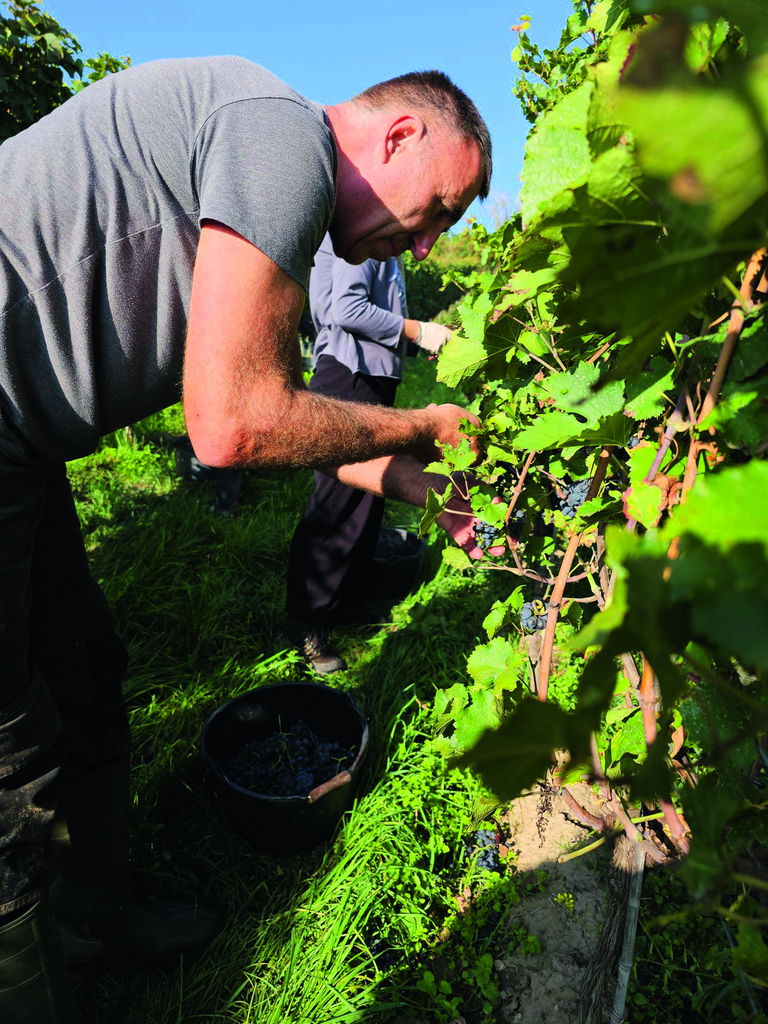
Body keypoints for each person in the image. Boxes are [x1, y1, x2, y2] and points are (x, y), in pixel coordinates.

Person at [0, 56, 491, 1021]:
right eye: (439, 209)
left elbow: (271, 419)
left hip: (22, 444)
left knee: (87, 665)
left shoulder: (270, 193)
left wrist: (428, 491)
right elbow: (233, 423)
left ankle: (106, 913)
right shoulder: (282, 135)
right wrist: (425, 427)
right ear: (398, 136)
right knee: (5, 756)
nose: (430, 247)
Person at [286, 233, 453, 672]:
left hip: (370, 374)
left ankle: (345, 601)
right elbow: (347, 309)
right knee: (337, 502)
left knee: (369, 496)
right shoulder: (363, 238)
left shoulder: (388, 246)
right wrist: (418, 330)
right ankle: (306, 622)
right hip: (348, 374)